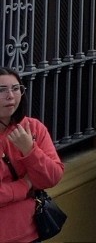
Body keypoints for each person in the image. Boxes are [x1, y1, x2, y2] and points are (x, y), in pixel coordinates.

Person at [0, 68, 65, 243]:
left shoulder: (33, 127)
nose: (10, 96)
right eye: (2, 90)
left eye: (15, 88)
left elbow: (53, 176)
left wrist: (30, 150)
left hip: (31, 231)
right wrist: (26, 184)